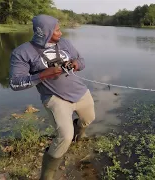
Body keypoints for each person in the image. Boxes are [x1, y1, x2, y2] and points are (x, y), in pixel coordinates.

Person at [9, 14, 95, 179]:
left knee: (88, 119)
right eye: (56, 30)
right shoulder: (22, 52)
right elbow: (15, 83)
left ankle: (79, 137)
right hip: (55, 98)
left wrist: (76, 64)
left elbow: (81, 60)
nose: (60, 33)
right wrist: (43, 75)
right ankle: (47, 175)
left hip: (80, 92)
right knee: (64, 137)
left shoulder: (65, 43)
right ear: (44, 32)